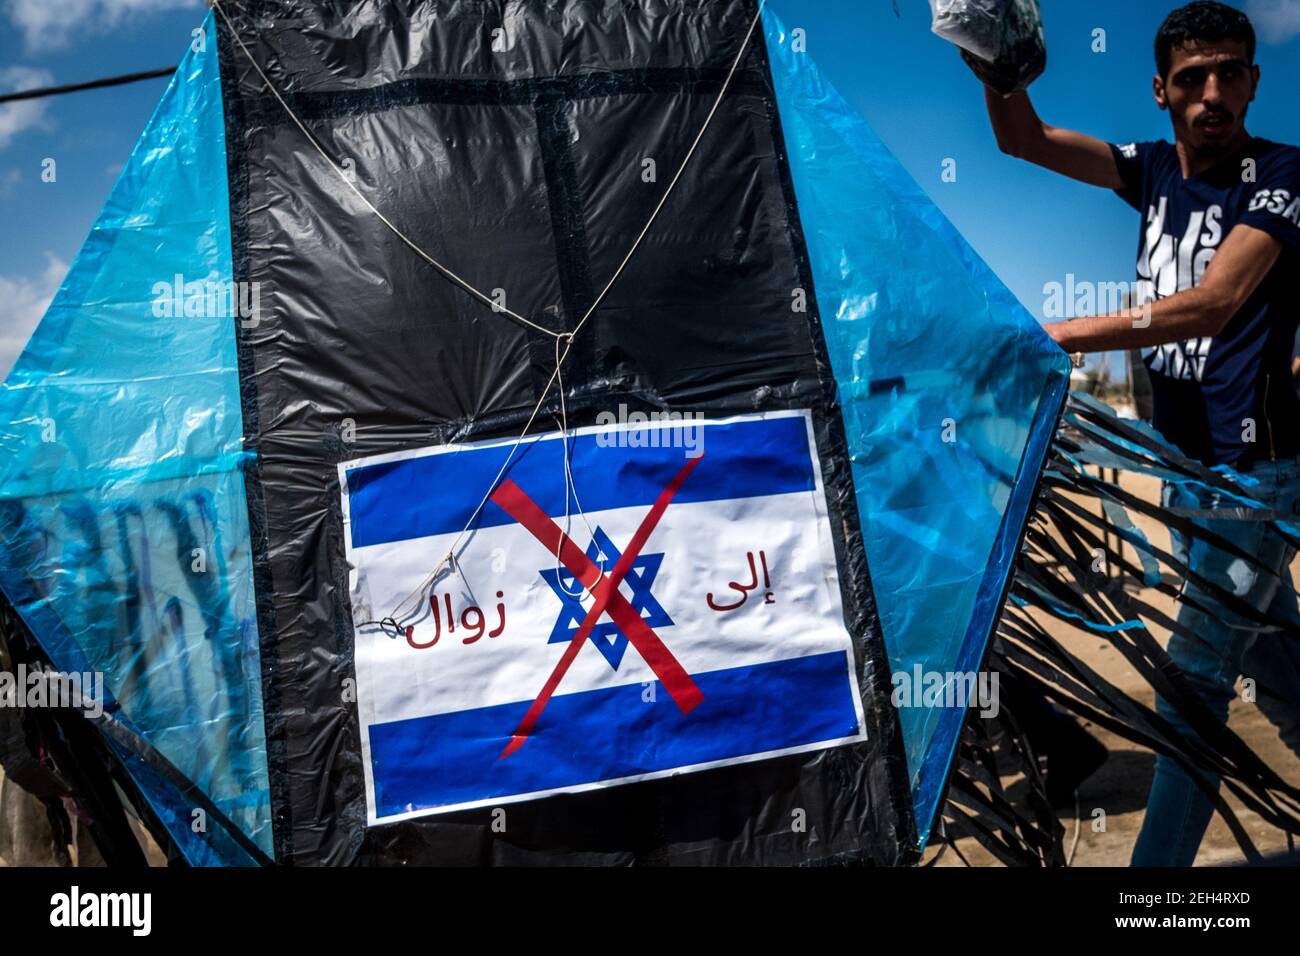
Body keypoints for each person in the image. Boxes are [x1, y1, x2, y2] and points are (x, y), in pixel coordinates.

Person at [977, 1, 1300, 865]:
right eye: (1192, 77)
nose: (1213, 92)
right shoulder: (1149, 169)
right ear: (1160, 90)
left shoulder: (1284, 176)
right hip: (1184, 471)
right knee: (1278, 661)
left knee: (1191, 687)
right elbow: (1025, 140)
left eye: (1231, 72)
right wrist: (996, 68)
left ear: (1253, 82)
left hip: (1254, 472)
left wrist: (1054, 335)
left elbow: (1216, 301)